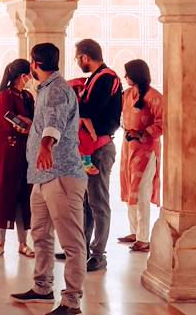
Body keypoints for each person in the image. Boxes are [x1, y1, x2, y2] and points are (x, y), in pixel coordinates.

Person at [11, 43, 87, 315]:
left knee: (71, 241)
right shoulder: (46, 89)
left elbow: (54, 122)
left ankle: (71, 301)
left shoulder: (56, 90)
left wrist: (45, 144)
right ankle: (43, 287)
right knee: (40, 234)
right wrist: (35, 132)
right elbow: (50, 123)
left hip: (61, 176)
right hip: (43, 176)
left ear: (34, 63)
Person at [72, 39, 122, 272]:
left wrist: (76, 99)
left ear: (85, 57)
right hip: (90, 147)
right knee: (86, 201)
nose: (77, 62)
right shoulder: (96, 77)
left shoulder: (106, 78)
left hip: (100, 147)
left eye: (78, 58)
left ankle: (98, 255)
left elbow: (90, 109)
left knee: (98, 202)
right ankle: (82, 250)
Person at [0, 58, 36, 259]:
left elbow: (34, 121)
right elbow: (11, 120)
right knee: (2, 193)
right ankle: (0, 243)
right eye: (29, 74)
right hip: (5, 152)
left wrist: (28, 122)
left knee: (24, 196)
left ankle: (23, 243)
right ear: (22, 76)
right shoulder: (4, 96)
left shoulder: (28, 97)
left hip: (24, 152)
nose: (31, 78)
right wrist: (26, 123)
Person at [117, 59, 163, 253]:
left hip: (146, 150)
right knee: (130, 188)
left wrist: (142, 133)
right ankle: (134, 232)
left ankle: (144, 239)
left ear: (136, 74)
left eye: (128, 74)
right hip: (128, 148)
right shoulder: (127, 94)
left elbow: (163, 122)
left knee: (142, 191)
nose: (125, 77)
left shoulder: (154, 97)